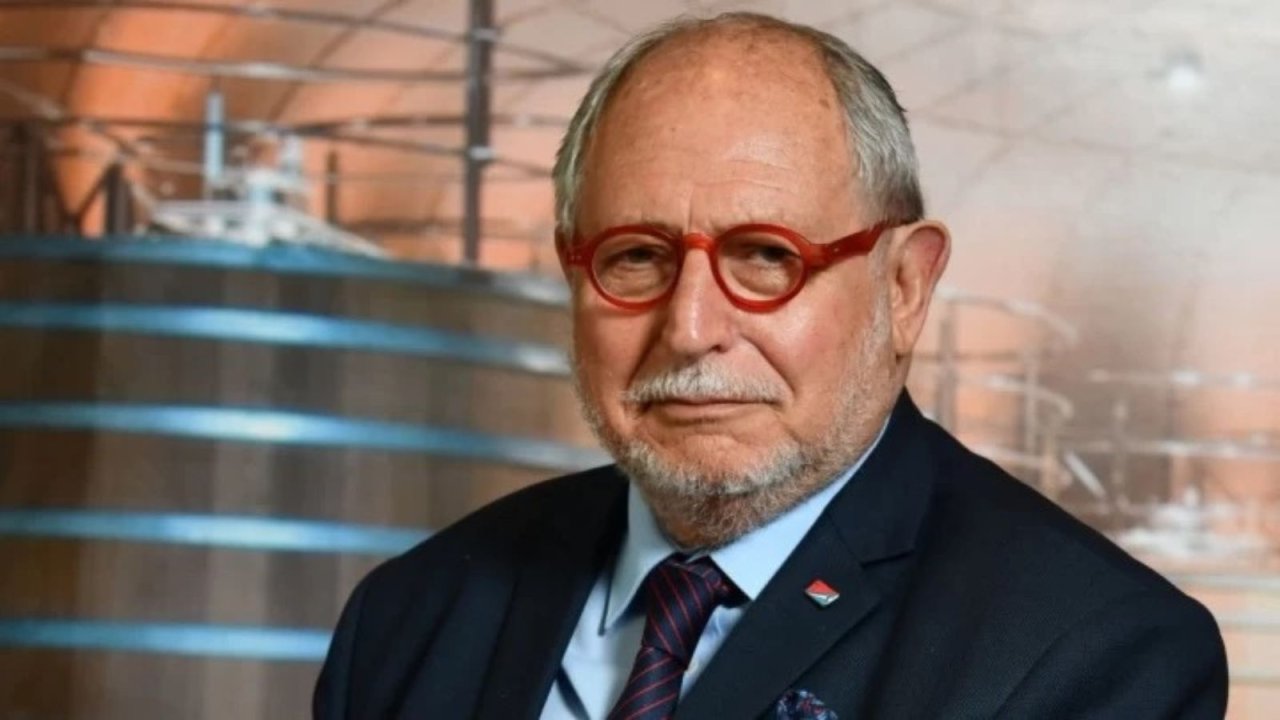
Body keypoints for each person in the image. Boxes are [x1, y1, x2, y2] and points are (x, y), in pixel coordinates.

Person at [314, 12, 1227, 720]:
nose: (690, 328)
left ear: (905, 286)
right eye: (636, 257)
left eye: (766, 257)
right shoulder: (408, 618)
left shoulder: (1092, 654)